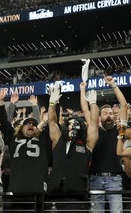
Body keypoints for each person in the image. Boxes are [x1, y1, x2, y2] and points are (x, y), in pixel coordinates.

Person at [47, 83, 99, 211]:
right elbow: (52, 122)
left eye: (76, 124)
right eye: (69, 124)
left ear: (81, 127)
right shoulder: (58, 140)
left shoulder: (87, 143)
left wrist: (92, 104)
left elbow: (94, 124)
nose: (71, 127)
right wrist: (52, 104)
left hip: (77, 193)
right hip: (55, 191)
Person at [0, 88, 49, 209]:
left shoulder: (42, 138)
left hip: (38, 190)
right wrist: (1, 103)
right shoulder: (13, 138)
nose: (31, 125)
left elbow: (50, 123)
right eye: (27, 123)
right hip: (17, 189)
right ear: (21, 127)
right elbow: (4, 122)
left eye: (34, 124)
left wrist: (37, 106)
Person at [88, 76, 128, 212]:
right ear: (100, 117)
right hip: (95, 178)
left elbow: (124, 106)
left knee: (117, 211)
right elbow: (88, 113)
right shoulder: (94, 130)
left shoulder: (119, 128)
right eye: (105, 113)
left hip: (114, 179)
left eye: (111, 113)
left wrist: (114, 85)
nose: (109, 115)